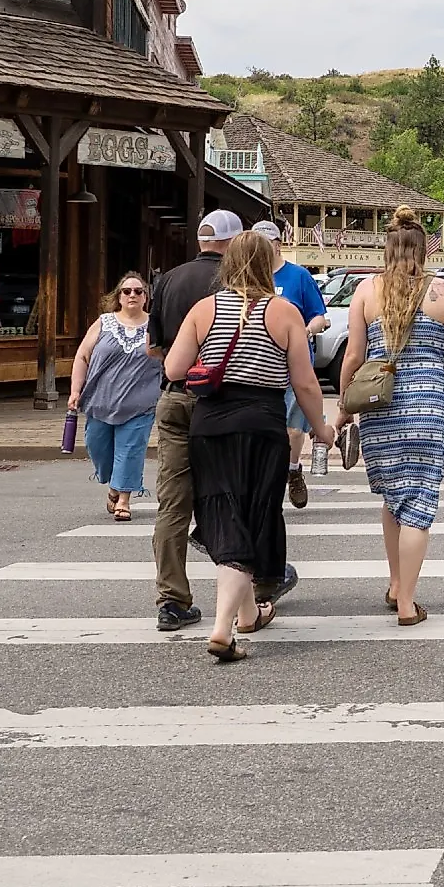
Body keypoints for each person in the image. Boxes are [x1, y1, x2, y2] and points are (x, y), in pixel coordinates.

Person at [164, 231, 336, 661]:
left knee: (225, 513)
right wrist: (322, 428)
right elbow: (304, 382)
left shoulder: (204, 309)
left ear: (228, 262)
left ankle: (245, 617)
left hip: (211, 423)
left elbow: (173, 367)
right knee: (254, 517)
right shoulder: (285, 312)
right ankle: (224, 628)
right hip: (261, 422)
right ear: (267, 262)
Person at [337, 207, 444, 626]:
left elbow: (353, 356)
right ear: (423, 250)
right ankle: (406, 603)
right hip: (429, 407)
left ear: (388, 248)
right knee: (418, 503)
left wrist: (343, 406)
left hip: (381, 407)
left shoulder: (366, 291)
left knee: (394, 497)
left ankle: (396, 583)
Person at [147, 209, 241, 633]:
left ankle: (172, 599)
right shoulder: (234, 282)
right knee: (232, 494)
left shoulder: (167, 279)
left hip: (174, 395)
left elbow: (153, 346)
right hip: (222, 400)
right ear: (231, 242)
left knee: (173, 501)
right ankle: (249, 592)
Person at [68, 272, 160, 521]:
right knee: (98, 449)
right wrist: (76, 390)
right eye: (127, 291)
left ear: (146, 297)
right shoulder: (104, 322)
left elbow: (169, 356)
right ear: (118, 296)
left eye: (138, 291)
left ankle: (124, 500)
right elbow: (82, 356)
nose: (132, 295)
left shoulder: (155, 325)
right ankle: (114, 486)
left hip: (139, 403)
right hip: (100, 401)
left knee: (130, 450)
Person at [252, 220, 328, 505]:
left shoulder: (298, 277)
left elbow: (319, 315)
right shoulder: (250, 278)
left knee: (294, 429)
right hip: (261, 364)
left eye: (266, 243)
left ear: (277, 244)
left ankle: (293, 471)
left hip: (295, 363)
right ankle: (268, 478)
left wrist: (306, 331)